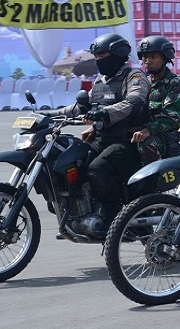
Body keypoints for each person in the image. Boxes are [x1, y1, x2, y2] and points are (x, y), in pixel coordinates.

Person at [45, 33, 150, 235]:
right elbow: (79, 108)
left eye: (102, 55)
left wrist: (105, 112)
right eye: (96, 56)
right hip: (101, 140)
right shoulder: (100, 82)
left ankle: (114, 220)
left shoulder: (134, 76)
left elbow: (134, 101)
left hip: (127, 141)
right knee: (67, 162)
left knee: (96, 169)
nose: (98, 60)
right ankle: (78, 213)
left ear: (118, 55)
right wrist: (49, 115)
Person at [130, 35, 180, 165]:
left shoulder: (175, 83)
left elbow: (172, 116)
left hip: (163, 136)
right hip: (140, 129)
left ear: (165, 58)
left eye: (153, 57)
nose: (148, 61)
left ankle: (153, 180)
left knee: (146, 143)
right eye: (145, 57)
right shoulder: (140, 81)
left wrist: (147, 130)